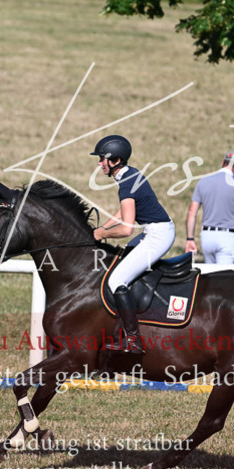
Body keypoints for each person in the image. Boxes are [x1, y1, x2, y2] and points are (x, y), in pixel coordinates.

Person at [91, 135, 175, 354]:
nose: (99, 163)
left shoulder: (126, 181)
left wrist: (102, 233)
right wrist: (100, 229)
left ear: (115, 160)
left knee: (116, 279)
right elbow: (122, 212)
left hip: (158, 235)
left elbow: (127, 228)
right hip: (156, 230)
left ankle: (133, 340)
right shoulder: (129, 174)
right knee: (120, 262)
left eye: (102, 159)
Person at [185, 151, 234, 264]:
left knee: (211, 278)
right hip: (227, 237)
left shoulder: (203, 182)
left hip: (206, 237)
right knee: (224, 279)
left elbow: (192, 213)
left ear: (223, 163)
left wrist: (190, 239)